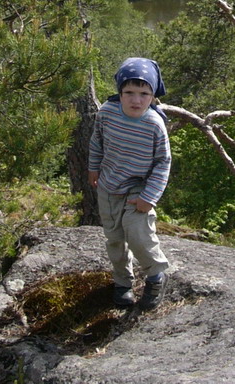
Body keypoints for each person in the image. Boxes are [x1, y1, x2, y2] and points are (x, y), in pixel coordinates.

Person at [88, 57, 171, 310]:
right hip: (108, 185)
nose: (136, 100)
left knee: (138, 233)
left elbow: (163, 162)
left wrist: (149, 197)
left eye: (144, 93)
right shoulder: (107, 113)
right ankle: (123, 282)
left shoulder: (154, 125)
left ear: (153, 96)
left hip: (138, 188)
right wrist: (93, 167)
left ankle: (156, 276)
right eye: (129, 92)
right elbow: (97, 141)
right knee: (114, 238)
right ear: (119, 93)